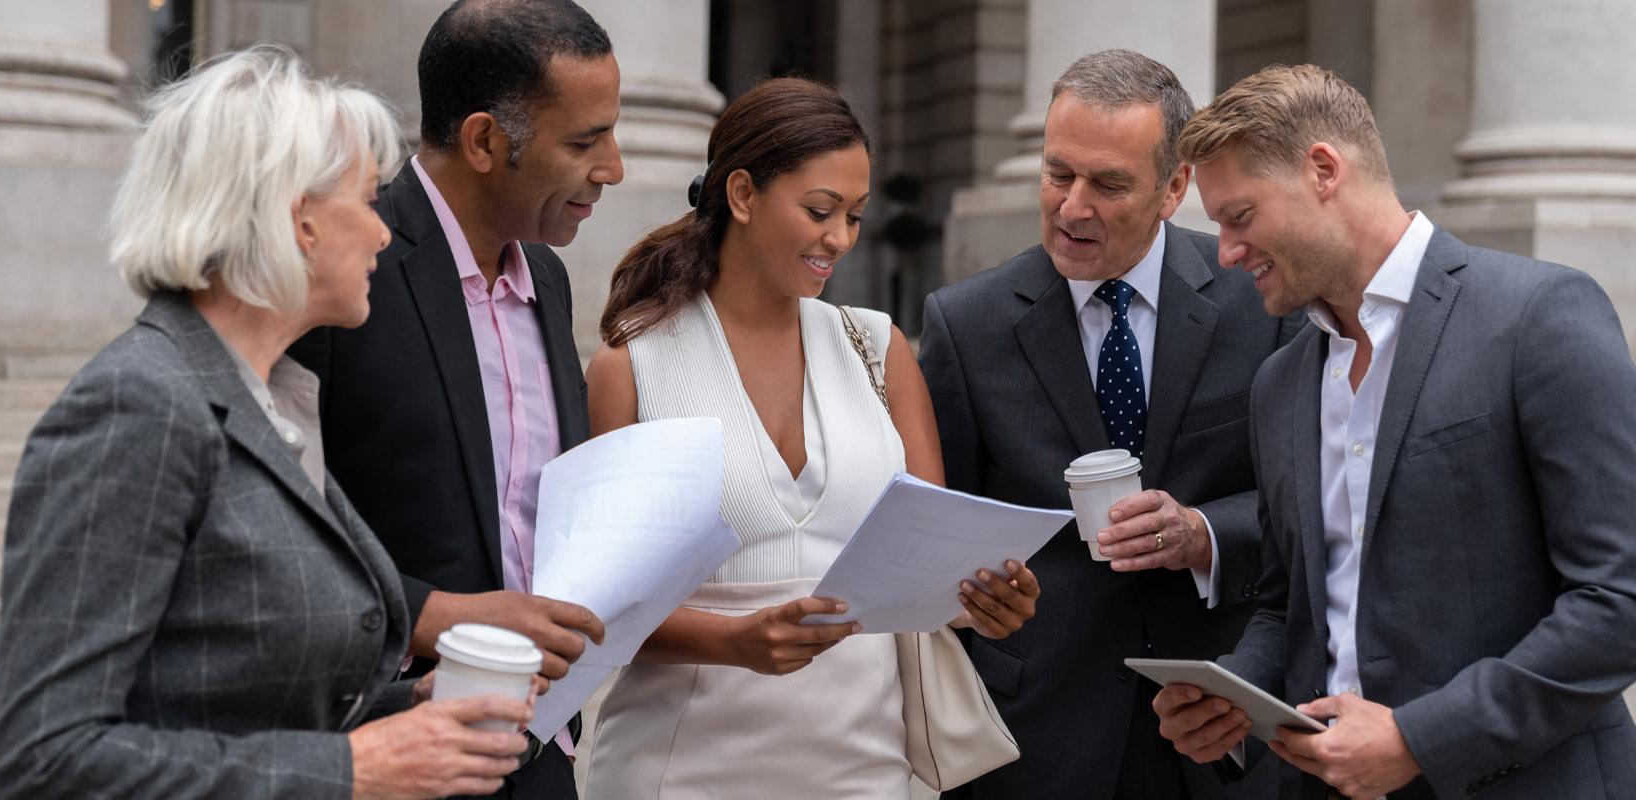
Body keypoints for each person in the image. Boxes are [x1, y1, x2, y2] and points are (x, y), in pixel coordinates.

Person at [0, 47, 534, 800]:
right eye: (369, 202)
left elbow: (242, 700)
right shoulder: (137, 406)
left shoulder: (274, 398)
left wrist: (410, 714)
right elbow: (43, 759)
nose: (383, 235)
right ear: (297, 218)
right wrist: (356, 769)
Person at [1152, 63, 1636, 800]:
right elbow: (1291, 606)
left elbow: (1618, 599)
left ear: (1323, 170)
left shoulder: (1538, 316)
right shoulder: (1278, 384)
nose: (1223, 251)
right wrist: (1235, 696)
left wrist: (1422, 740)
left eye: (1239, 217)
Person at [580, 77, 1041, 798]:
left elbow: (929, 566)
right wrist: (732, 642)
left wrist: (980, 603)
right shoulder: (631, 364)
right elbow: (600, 607)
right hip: (676, 768)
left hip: (864, 766)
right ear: (741, 195)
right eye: (820, 210)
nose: (840, 239)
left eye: (855, 216)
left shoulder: (878, 347)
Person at [920, 49, 1298, 800]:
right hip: (1039, 741)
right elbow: (942, 531)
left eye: (1108, 184)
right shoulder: (966, 324)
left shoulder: (1260, 300)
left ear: (1174, 187)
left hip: (1222, 729)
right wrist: (981, 596)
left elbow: (1303, 504)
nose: (1071, 207)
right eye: (1059, 173)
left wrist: (1202, 534)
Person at [286, 1, 618, 794]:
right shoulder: (344, 269)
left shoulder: (548, 277)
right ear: (483, 141)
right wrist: (438, 615)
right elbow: (276, 532)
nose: (613, 167)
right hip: (385, 745)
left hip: (543, 750)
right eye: (584, 140)